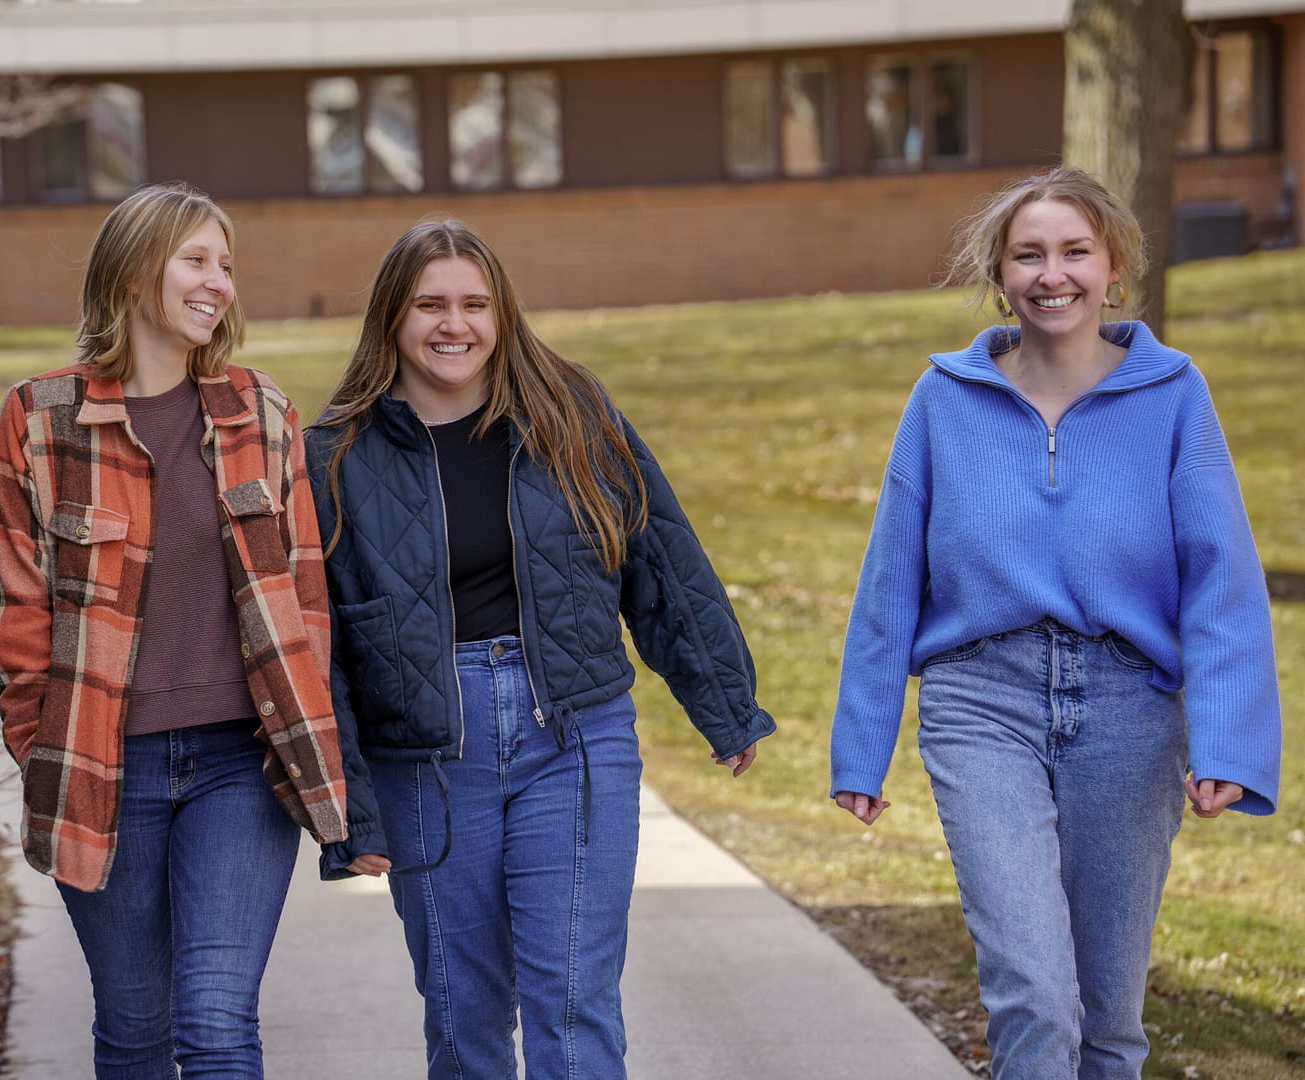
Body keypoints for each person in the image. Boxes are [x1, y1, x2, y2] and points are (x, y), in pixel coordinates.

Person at [830, 167, 1282, 1079]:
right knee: (1034, 992)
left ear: (1112, 266)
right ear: (999, 275)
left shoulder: (1172, 395)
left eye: (1074, 251)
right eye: (1027, 255)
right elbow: (888, 583)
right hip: (979, 701)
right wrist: (860, 747)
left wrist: (1225, 745)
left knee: (1108, 1017)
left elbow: (1221, 580)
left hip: (1128, 711)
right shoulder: (943, 400)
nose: (1052, 274)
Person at [304, 217, 774, 1080]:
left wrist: (723, 704)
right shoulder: (334, 459)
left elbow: (661, 559)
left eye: (476, 304)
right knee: (463, 1016)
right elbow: (320, 648)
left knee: (572, 1000)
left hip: (574, 736)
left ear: (503, 313)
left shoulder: (573, 417)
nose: (456, 325)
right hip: (426, 759)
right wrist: (349, 815)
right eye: (430, 305)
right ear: (391, 320)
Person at [0, 181, 349, 1079]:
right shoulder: (40, 418)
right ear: (135, 268)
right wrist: (40, 744)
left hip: (239, 763)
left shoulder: (261, 412)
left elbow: (304, 595)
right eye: (196, 259)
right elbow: (17, 606)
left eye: (226, 264)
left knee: (217, 1025)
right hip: (105, 765)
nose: (218, 281)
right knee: (135, 1030)